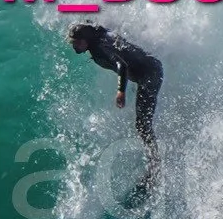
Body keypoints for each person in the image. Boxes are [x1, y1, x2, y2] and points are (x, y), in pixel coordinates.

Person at [68, 23, 163, 198]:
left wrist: (121, 91)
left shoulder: (101, 47)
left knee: (142, 125)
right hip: (148, 69)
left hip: (150, 75)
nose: (74, 47)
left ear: (85, 41)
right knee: (142, 123)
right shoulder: (99, 35)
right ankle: (154, 164)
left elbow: (122, 65)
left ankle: (155, 169)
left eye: (76, 43)